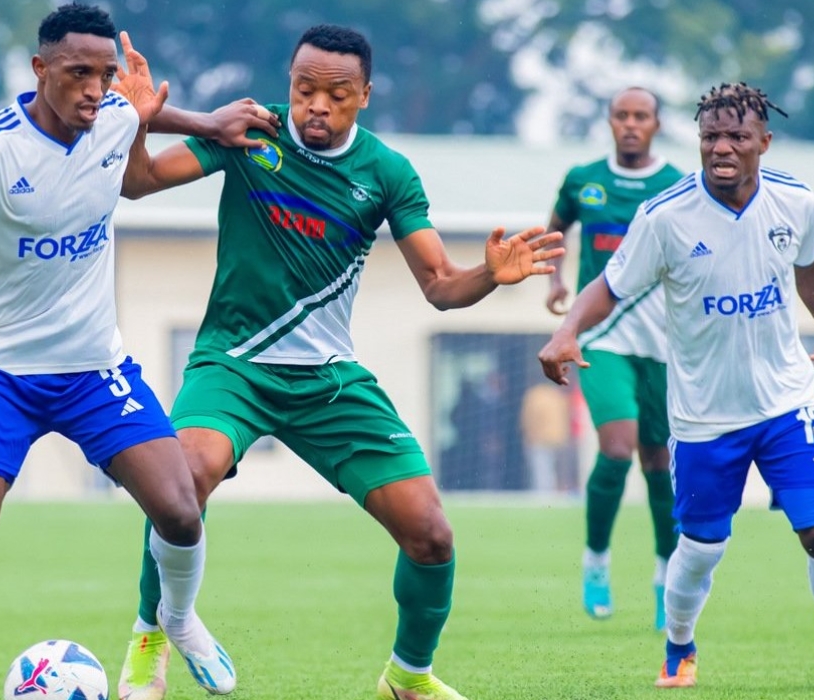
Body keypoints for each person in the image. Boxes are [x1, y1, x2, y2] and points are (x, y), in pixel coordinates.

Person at [115, 24, 563, 700]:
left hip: (328, 380)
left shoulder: (386, 173)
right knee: (184, 478)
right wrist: (140, 125)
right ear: (289, 85)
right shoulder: (249, 133)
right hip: (234, 364)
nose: (316, 106)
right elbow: (138, 184)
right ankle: (152, 632)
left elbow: (441, 285)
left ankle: (407, 679)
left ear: (365, 97)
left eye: (336, 94)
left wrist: (490, 276)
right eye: (304, 89)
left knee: (431, 535)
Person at [0, 5, 277, 699]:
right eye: (77, 74)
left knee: (180, 508)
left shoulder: (113, 117)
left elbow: (136, 128)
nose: (95, 89)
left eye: (105, 75)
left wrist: (208, 125)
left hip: (94, 369)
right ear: (39, 70)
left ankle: (176, 620)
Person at [538, 82, 814, 690]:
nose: (722, 147)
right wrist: (567, 332)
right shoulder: (664, 216)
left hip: (787, 401)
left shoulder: (796, 203)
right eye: (710, 136)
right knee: (702, 546)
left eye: (737, 136)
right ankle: (680, 647)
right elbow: (609, 284)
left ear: (763, 143)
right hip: (704, 416)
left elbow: (810, 269)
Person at [543, 87, 684, 629]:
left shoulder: (678, 184)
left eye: (641, 116)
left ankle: (665, 576)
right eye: (621, 115)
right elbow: (555, 227)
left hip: (665, 344)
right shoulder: (584, 179)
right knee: (618, 447)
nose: (630, 124)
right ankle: (596, 561)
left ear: (655, 123)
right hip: (600, 338)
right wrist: (556, 279)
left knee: (659, 463)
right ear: (609, 121)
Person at [518, 381, 570, 493]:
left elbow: (528, 419)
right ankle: (552, 493)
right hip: (558, 439)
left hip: (539, 439)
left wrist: (528, 435)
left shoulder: (534, 396)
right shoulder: (558, 396)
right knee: (553, 470)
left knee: (541, 470)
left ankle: (544, 495)